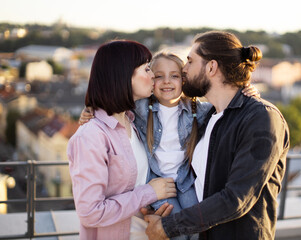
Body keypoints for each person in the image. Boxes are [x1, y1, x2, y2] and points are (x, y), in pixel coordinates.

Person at [78, 51, 259, 240]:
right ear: (151, 81)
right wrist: (91, 108)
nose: (166, 82)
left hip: (185, 181)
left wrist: (246, 92)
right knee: (174, 230)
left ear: (184, 80)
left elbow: (225, 103)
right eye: (158, 76)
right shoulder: (141, 108)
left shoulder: (197, 110)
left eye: (174, 76)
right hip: (159, 182)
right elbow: (114, 102)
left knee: (197, 226)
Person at [144, 31, 290, 240]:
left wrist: (168, 226)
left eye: (190, 61)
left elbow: (236, 198)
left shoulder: (261, 118)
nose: (184, 70)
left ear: (211, 67)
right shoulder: (208, 116)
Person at [67, 40, 177, 240]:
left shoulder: (133, 122)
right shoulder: (91, 136)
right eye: (146, 69)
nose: (153, 76)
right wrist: (149, 193)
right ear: (123, 75)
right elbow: (91, 213)